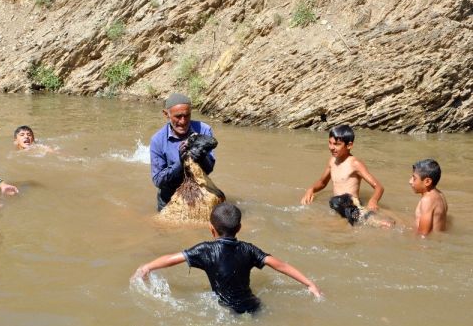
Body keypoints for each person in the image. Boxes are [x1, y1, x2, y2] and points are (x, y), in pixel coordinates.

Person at [132, 203, 321, 314]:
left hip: (226, 311)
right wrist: (310, 284)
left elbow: (172, 258)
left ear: (211, 229)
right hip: (254, 306)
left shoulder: (205, 250)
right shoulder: (249, 249)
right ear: (239, 228)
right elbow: (280, 265)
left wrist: (146, 267)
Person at [150, 93, 215, 211]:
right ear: (166, 114)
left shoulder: (204, 130)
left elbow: (209, 169)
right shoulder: (157, 140)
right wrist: (180, 163)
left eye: (187, 115)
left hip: (198, 195)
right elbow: (158, 180)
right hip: (169, 200)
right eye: (178, 116)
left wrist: (201, 156)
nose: (183, 121)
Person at [301, 124, 384, 211]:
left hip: (352, 208)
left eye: (337, 144)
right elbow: (322, 182)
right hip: (337, 205)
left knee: (382, 223)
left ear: (349, 145)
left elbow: (379, 187)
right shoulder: (332, 161)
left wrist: (373, 201)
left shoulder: (355, 164)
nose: (331, 147)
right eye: (330, 143)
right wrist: (311, 189)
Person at [409, 159, 448, 236]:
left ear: (427, 182)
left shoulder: (427, 200)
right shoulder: (440, 195)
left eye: (414, 178)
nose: (410, 181)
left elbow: (423, 234)